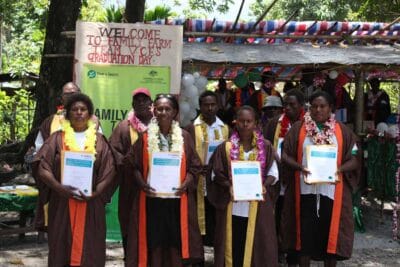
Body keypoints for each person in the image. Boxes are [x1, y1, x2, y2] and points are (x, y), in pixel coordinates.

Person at [33, 93, 117, 266]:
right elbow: (42, 167)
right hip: (62, 202)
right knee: (60, 246)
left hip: (90, 204)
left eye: (83, 109)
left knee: (91, 248)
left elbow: (109, 170)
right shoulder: (57, 138)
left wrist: (97, 192)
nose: (79, 112)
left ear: (90, 114)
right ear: (68, 113)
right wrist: (59, 187)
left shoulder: (99, 141)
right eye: (74, 109)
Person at [281, 91, 359, 267]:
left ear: (331, 108)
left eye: (322, 106)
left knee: (329, 238)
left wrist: (339, 169)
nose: (318, 110)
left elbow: (354, 157)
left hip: (332, 192)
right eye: (314, 106)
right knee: (304, 237)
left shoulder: (343, 131)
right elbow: (285, 154)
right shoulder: (298, 129)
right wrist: (299, 167)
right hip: (304, 191)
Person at [124, 94, 203, 267]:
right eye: (159, 108)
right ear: (154, 110)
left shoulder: (184, 137)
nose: (163, 112)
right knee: (154, 241)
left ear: (174, 112)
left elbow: (195, 167)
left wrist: (186, 183)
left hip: (176, 200)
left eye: (167, 109)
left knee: (174, 241)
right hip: (152, 200)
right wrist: (142, 184)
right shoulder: (145, 138)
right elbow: (132, 164)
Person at [208, 106, 279, 267]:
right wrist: (228, 186)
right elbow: (215, 174)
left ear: (256, 123)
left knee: (258, 247)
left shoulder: (265, 146)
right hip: (232, 206)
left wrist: (263, 184)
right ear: (235, 122)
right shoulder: (225, 147)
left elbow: (274, 173)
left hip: (257, 208)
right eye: (241, 121)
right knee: (233, 245)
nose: (245, 124)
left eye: (249, 121)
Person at [109, 87, 153, 258]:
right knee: (130, 222)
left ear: (151, 103)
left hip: (155, 187)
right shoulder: (124, 127)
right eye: (137, 100)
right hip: (131, 187)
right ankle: (131, 258)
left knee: (153, 224)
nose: (141, 103)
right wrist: (130, 165)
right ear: (132, 104)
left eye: (145, 100)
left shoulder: (160, 124)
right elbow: (114, 152)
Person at [263, 89, 305, 266]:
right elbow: (264, 148)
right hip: (278, 183)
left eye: (292, 105)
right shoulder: (274, 124)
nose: (287, 108)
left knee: (297, 219)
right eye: (285, 104)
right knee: (278, 217)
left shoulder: (308, 125)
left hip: (301, 181)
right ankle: (278, 250)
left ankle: (295, 255)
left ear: (301, 106)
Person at [33, 82, 81, 234]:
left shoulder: (92, 121)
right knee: (58, 232)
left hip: (82, 183)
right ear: (62, 98)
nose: (71, 97)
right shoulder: (50, 122)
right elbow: (39, 152)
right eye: (67, 94)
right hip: (56, 186)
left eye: (74, 93)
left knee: (80, 229)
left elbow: (99, 151)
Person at [185, 91, 230, 247]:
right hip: (199, 180)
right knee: (197, 219)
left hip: (217, 181)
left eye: (213, 104)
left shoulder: (225, 128)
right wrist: (198, 166)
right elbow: (187, 153)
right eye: (206, 105)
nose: (210, 108)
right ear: (200, 106)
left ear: (217, 106)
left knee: (217, 220)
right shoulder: (191, 128)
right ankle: (198, 258)